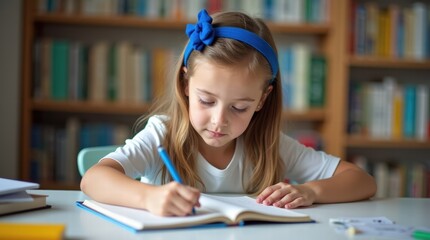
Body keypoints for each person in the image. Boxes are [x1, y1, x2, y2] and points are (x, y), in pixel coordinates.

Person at [80, 9, 376, 217]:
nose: (219, 120)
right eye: (206, 101)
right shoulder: (162, 134)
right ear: (185, 84)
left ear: (262, 99)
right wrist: (148, 197)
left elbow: (362, 180)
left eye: (239, 107)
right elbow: (94, 179)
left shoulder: (270, 144)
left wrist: (311, 192)